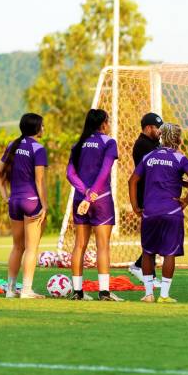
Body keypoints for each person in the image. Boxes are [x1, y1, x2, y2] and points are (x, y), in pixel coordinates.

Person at [128, 123, 188, 303]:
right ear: (179, 140)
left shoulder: (149, 157)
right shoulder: (179, 158)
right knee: (169, 253)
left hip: (150, 211)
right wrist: (186, 200)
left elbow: (132, 181)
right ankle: (165, 295)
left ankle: (148, 294)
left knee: (148, 252)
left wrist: (136, 206)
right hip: (171, 211)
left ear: (161, 137)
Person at [66, 109, 122, 301]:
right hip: (101, 200)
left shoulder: (77, 145)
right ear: (104, 123)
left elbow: (70, 174)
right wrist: (92, 196)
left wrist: (85, 193)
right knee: (103, 246)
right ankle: (104, 293)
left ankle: (77, 292)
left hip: (79, 199)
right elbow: (105, 171)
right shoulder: (109, 142)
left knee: (79, 245)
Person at [0, 113, 48, 299]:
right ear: (36, 128)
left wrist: (5, 197)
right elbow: (39, 180)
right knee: (32, 247)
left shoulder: (12, 145)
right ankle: (26, 290)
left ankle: (10, 290)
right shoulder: (38, 148)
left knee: (17, 247)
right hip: (31, 201)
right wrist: (45, 206)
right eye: (42, 125)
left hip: (15, 202)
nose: (44, 128)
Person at [128, 113, 164, 282]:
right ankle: (141, 268)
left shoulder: (154, 144)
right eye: (158, 128)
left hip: (157, 196)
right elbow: (152, 170)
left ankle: (140, 266)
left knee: (157, 235)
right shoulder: (143, 145)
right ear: (149, 128)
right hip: (148, 196)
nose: (161, 132)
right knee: (153, 236)